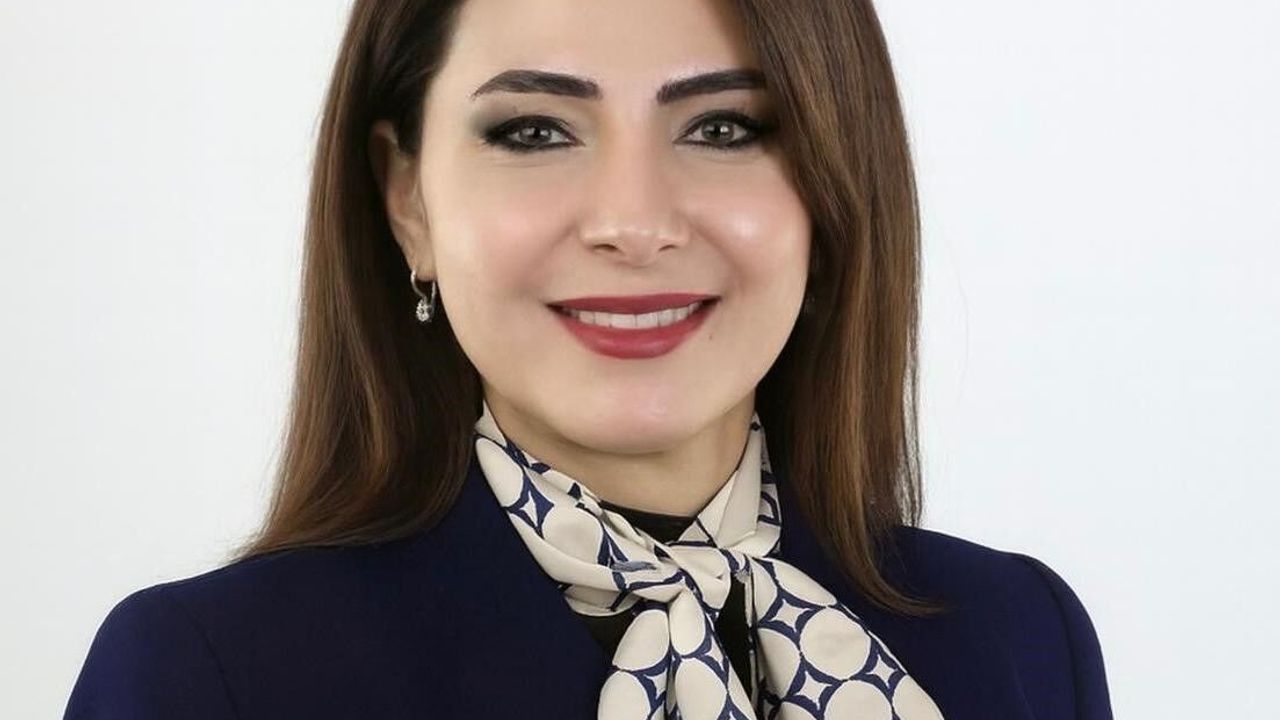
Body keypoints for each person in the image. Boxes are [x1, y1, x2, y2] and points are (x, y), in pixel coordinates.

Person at [63, 0, 1113, 718]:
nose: (633, 223)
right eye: (534, 132)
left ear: (833, 187)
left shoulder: (1019, 640)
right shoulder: (210, 679)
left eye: (722, 127)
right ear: (406, 199)